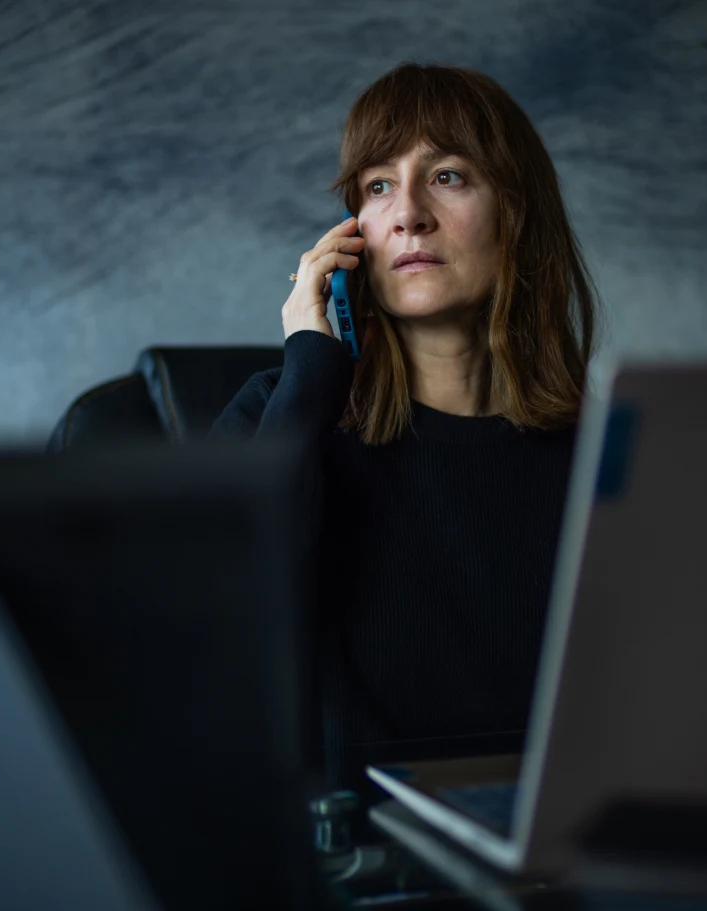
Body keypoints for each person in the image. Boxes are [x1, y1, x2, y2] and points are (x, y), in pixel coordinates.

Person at [213, 63, 598, 775]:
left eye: (448, 175)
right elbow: (214, 636)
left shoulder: (603, 449)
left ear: (517, 212)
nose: (408, 213)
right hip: (363, 859)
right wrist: (308, 369)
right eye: (378, 185)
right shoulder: (282, 414)